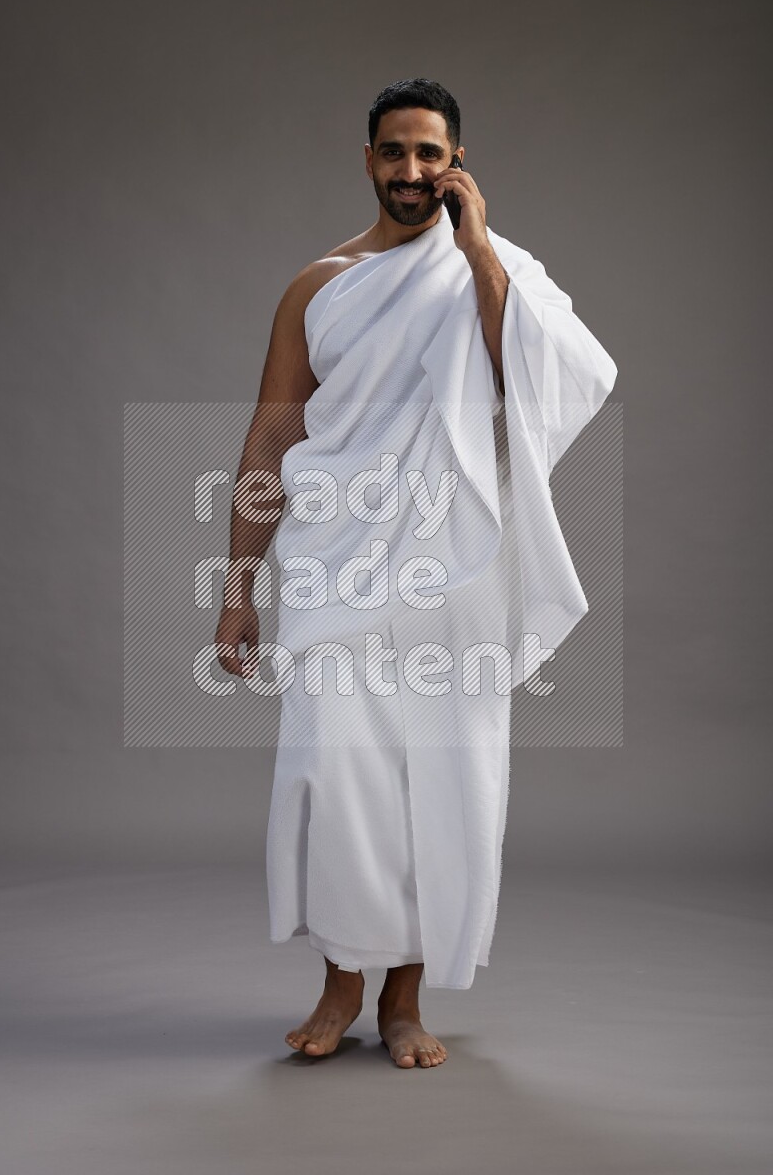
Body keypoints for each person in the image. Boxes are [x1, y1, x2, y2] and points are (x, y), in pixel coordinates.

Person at [215, 78, 617, 1069]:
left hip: (451, 570)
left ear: (456, 163)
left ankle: (403, 1000)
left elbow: (549, 376)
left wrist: (477, 247)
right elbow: (272, 435)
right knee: (335, 773)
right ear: (367, 160)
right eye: (393, 153)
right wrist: (237, 590)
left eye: (428, 155)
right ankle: (337, 983)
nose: (410, 172)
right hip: (332, 562)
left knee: (441, 777)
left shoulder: (492, 272)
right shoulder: (320, 285)